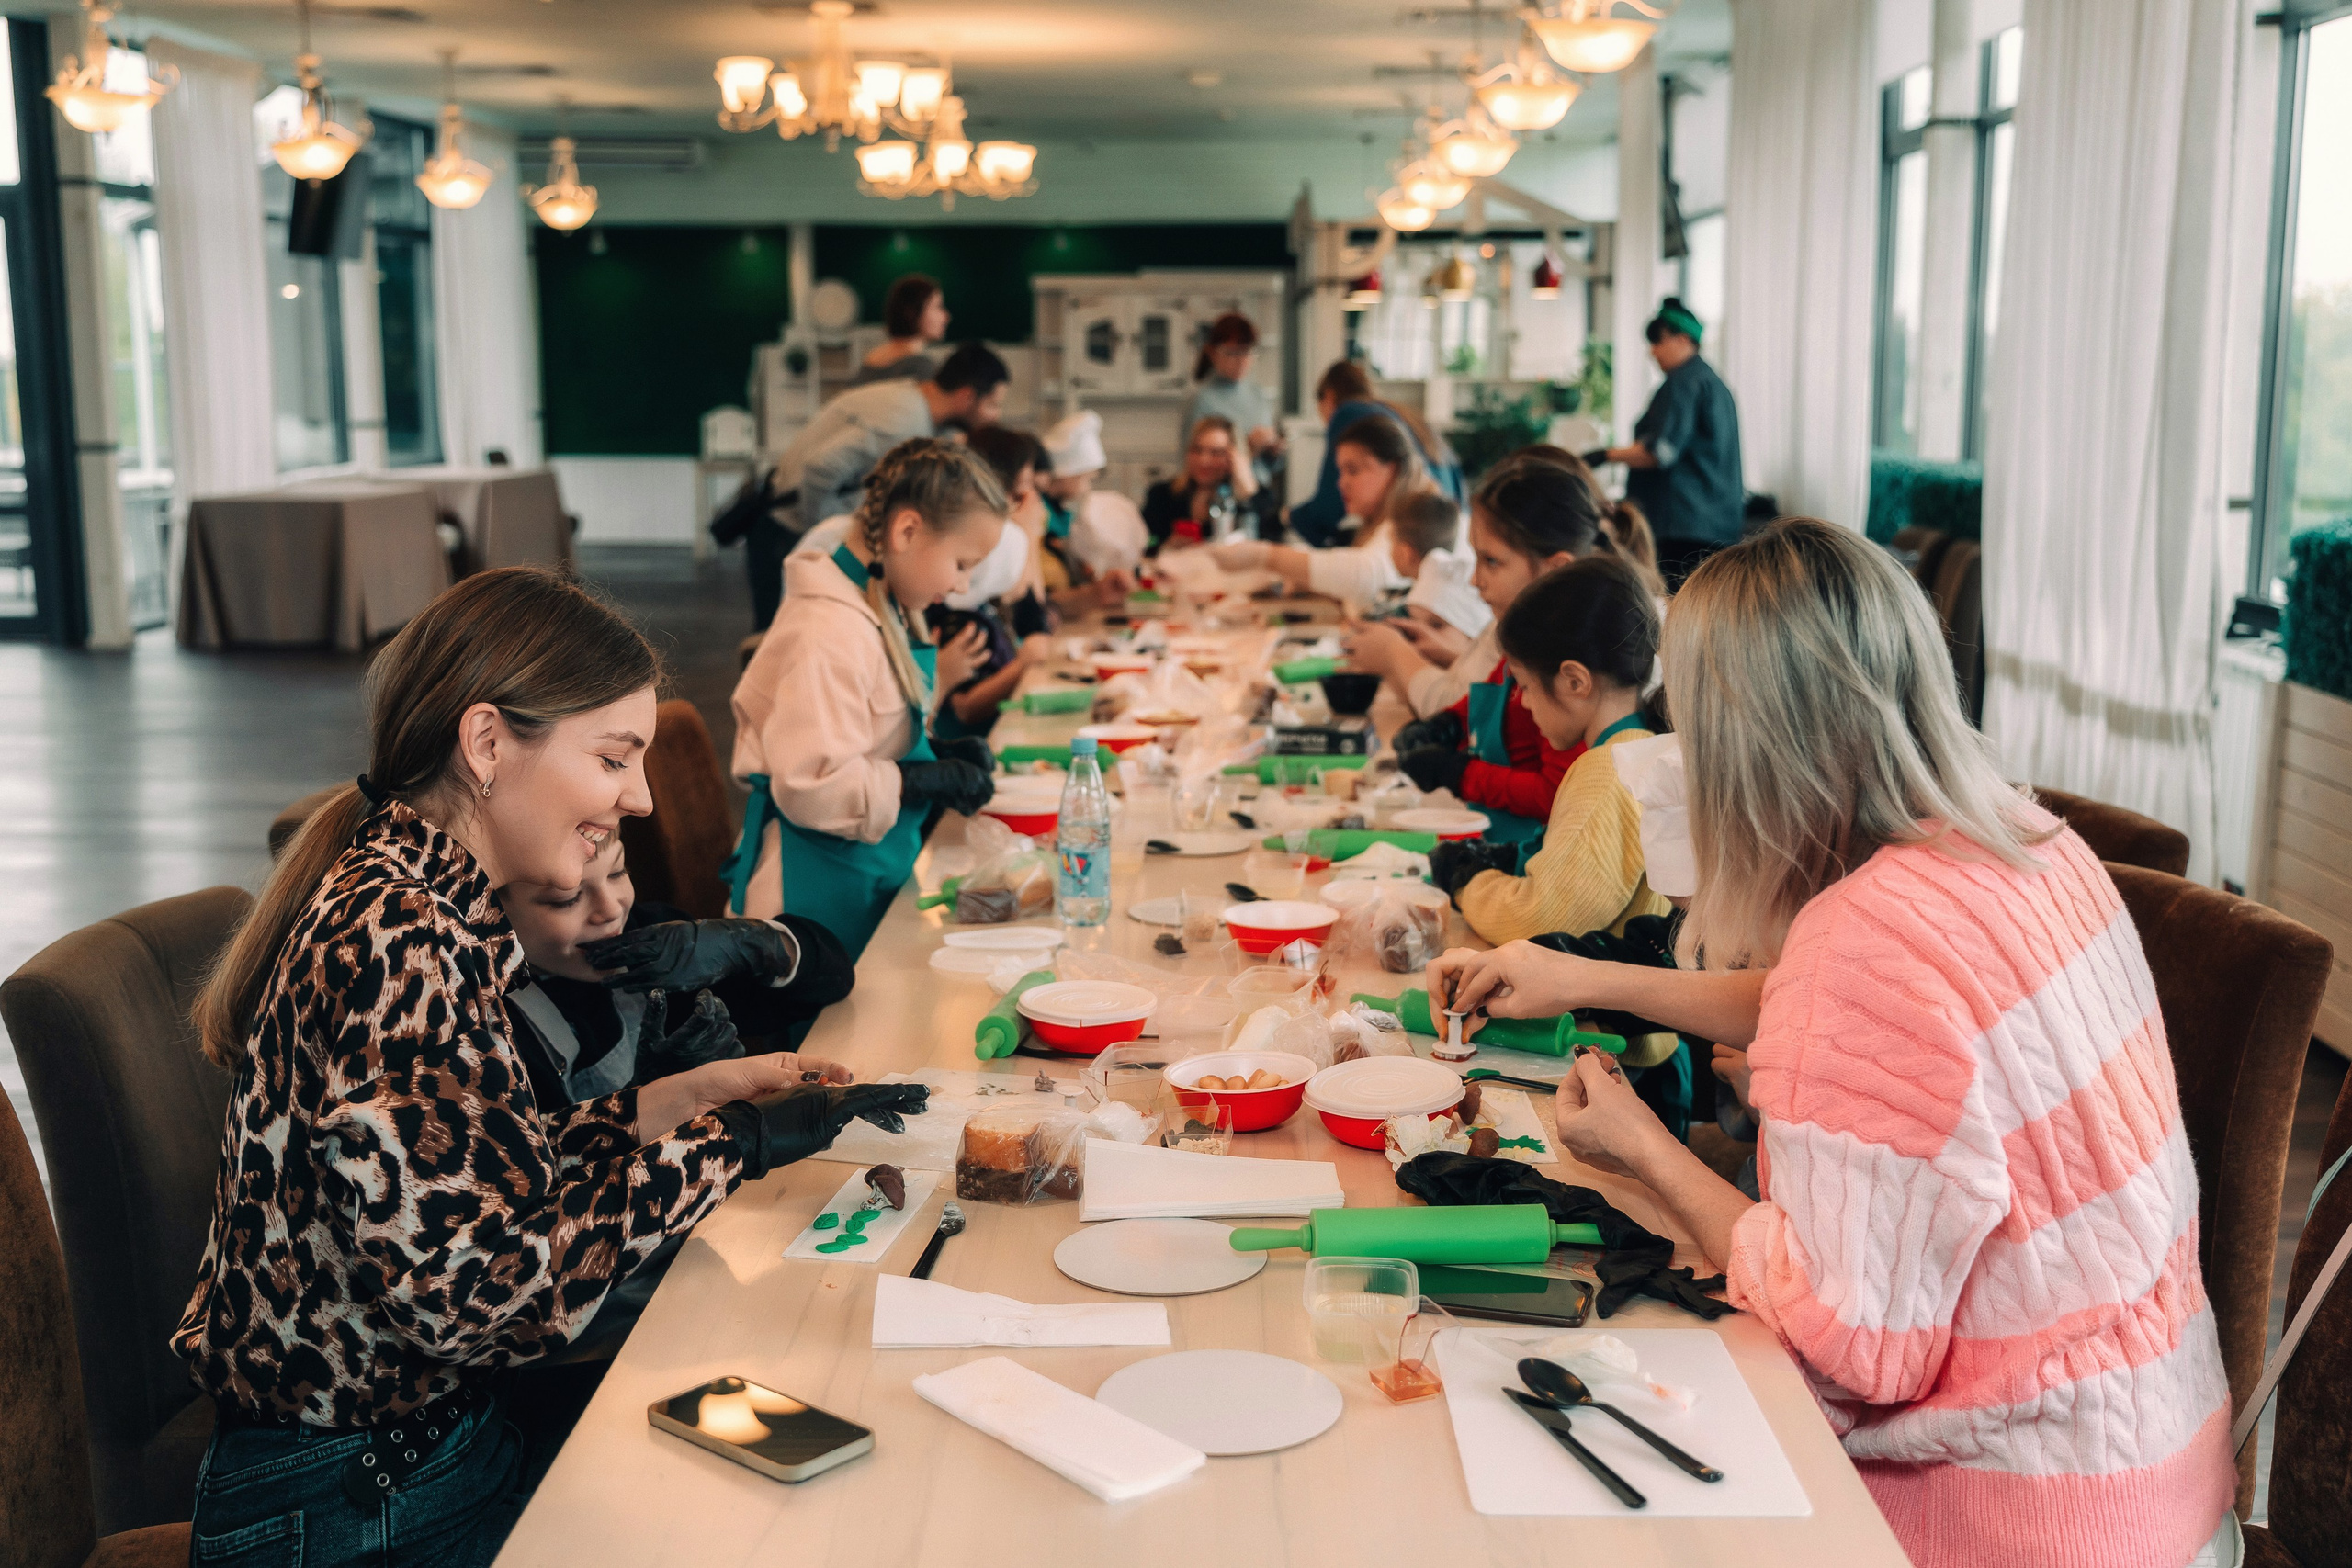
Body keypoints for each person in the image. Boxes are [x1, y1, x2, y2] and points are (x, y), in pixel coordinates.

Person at [1430, 519, 2239, 1568]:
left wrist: (1644, 1151)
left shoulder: (1863, 940)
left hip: (2013, 1514)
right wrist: (1581, 976)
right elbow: (1855, 1010)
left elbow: (1850, 1349)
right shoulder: (2022, 838)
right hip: (2159, 1461)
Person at [174, 568, 925, 1568]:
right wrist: (727, 1147)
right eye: (614, 756)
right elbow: (476, 1299)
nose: (642, 798)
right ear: (487, 744)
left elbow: (466, 1179)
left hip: (413, 1462)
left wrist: (676, 1103)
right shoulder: (400, 935)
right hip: (356, 1506)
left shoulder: (422, 902)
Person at [729, 440, 1007, 957]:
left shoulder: (884, 602)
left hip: (862, 868)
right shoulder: (828, 631)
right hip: (810, 896)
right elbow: (813, 786)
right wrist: (919, 780)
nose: (963, 585)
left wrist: (939, 755)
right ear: (906, 532)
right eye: (962, 563)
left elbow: (869, 733)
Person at [1359, 453, 1657, 844]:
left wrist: (1458, 773)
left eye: (1491, 561)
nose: (1475, 580)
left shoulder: (1567, 659)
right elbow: (1501, 689)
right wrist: (1449, 723)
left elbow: (1555, 791)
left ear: (1554, 567)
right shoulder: (1527, 635)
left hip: (1526, 855)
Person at [497, 831, 856, 1107]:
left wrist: (754, 945)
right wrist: (652, 1100)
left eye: (618, 871)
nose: (610, 909)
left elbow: (831, 980)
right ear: (488, 911)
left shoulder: (650, 942)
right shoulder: (494, 1031)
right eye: (567, 898)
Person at [1426, 555, 1670, 950]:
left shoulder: (1609, 771)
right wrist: (1509, 858)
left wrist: (1469, 884)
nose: (1522, 703)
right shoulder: (1638, 745)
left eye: (1524, 685)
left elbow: (1541, 920)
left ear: (1575, 681)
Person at [729, 342, 1011, 631]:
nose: (994, 416)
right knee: (780, 635)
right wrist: (823, 535)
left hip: (789, 525)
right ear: (967, 396)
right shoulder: (903, 419)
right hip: (785, 529)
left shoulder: (913, 402)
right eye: (993, 404)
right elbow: (820, 468)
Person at [1210, 416, 1438, 605]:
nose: (1341, 483)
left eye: (1353, 470)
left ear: (1393, 469)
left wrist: (1265, 556)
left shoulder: (1422, 518)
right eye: (1341, 472)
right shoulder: (1389, 518)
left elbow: (1367, 577)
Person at [1600, 297, 1743, 588]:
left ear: (1683, 339)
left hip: (1684, 526)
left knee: (1675, 611)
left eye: (1657, 341)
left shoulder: (1683, 383)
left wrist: (1606, 455)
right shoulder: (1712, 382)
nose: (1652, 351)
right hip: (1713, 525)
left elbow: (1658, 452)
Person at [928, 425, 1057, 739]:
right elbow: (964, 708)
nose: (1031, 503)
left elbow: (1034, 611)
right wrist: (1022, 664)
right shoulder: (962, 618)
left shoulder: (982, 606)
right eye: (1022, 493)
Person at [1287, 360, 1464, 545]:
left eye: (1352, 470)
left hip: (1422, 535)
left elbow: (1326, 510)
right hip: (1451, 532)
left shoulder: (1347, 413)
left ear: (1329, 397)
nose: (1342, 482)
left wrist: (1286, 517)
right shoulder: (1402, 413)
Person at [1175, 312, 1282, 486]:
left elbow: (1268, 468)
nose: (1242, 361)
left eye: (1248, 352)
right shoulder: (1201, 399)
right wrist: (1248, 448)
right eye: (1233, 353)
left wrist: (1273, 451)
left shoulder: (1258, 395)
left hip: (1257, 493)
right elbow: (1190, 466)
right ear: (1213, 353)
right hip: (1220, 496)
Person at [1142, 415, 1275, 549]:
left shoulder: (1257, 499)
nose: (1203, 460)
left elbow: (1269, 545)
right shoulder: (1162, 494)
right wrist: (1164, 545)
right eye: (1197, 450)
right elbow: (1148, 541)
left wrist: (1248, 492)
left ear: (1234, 458)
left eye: (1216, 452)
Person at [850, 274, 948, 385]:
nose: (946, 317)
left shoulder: (869, 361)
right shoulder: (920, 367)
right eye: (938, 307)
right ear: (913, 312)